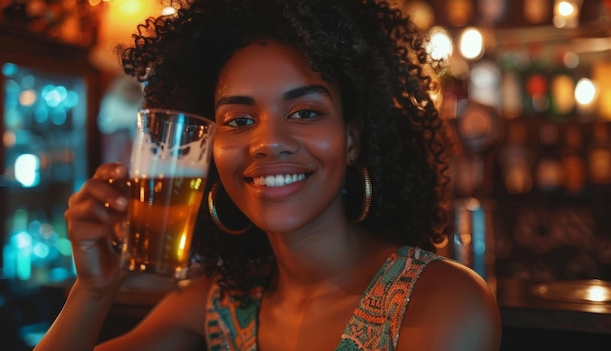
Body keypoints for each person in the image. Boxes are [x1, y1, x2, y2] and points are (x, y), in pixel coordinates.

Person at [34, 0, 501, 350]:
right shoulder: (219, 304)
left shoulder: (442, 301)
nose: (267, 142)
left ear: (353, 138)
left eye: (304, 112)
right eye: (238, 120)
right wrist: (93, 292)